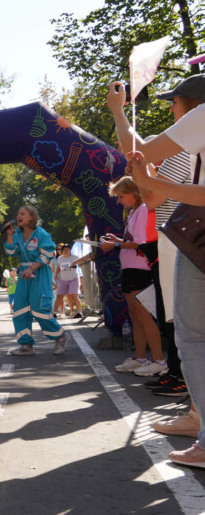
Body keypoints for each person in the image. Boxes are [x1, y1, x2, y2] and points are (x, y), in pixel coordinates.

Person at [107, 75, 205, 465]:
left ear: (191, 103)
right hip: (186, 238)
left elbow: (147, 174)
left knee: (192, 337)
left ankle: (199, 419)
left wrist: (118, 112)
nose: (170, 109)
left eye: (174, 102)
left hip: (190, 239)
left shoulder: (198, 123)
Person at [102, 176, 166, 377]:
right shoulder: (133, 212)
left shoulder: (144, 209)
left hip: (141, 268)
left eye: (121, 196)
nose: (119, 201)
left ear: (134, 192)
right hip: (130, 267)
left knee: (144, 314)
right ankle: (140, 357)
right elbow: (133, 240)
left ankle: (159, 361)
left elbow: (140, 242)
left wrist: (117, 244)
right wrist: (119, 240)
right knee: (135, 314)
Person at [2, 205, 69, 356]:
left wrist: (32, 268)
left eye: (23, 214)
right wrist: (10, 235)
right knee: (20, 310)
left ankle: (60, 337)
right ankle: (26, 345)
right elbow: (11, 252)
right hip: (24, 276)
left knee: (40, 309)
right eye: (18, 214)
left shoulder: (41, 234)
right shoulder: (17, 233)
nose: (19, 216)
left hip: (39, 273)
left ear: (32, 217)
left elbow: (48, 254)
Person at [53, 243, 83, 319]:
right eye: (64, 250)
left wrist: (82, 275)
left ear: (70, 250)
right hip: (63, 280)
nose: (66, 251)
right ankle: (54, 312)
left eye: (67, 249)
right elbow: (59, 268)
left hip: (73, 279)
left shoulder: (75, 257)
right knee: (59, 295)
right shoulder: (60, 258)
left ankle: (80, 312)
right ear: (62, 251)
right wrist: (56, 274)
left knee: (74, 295)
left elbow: (80, 265)